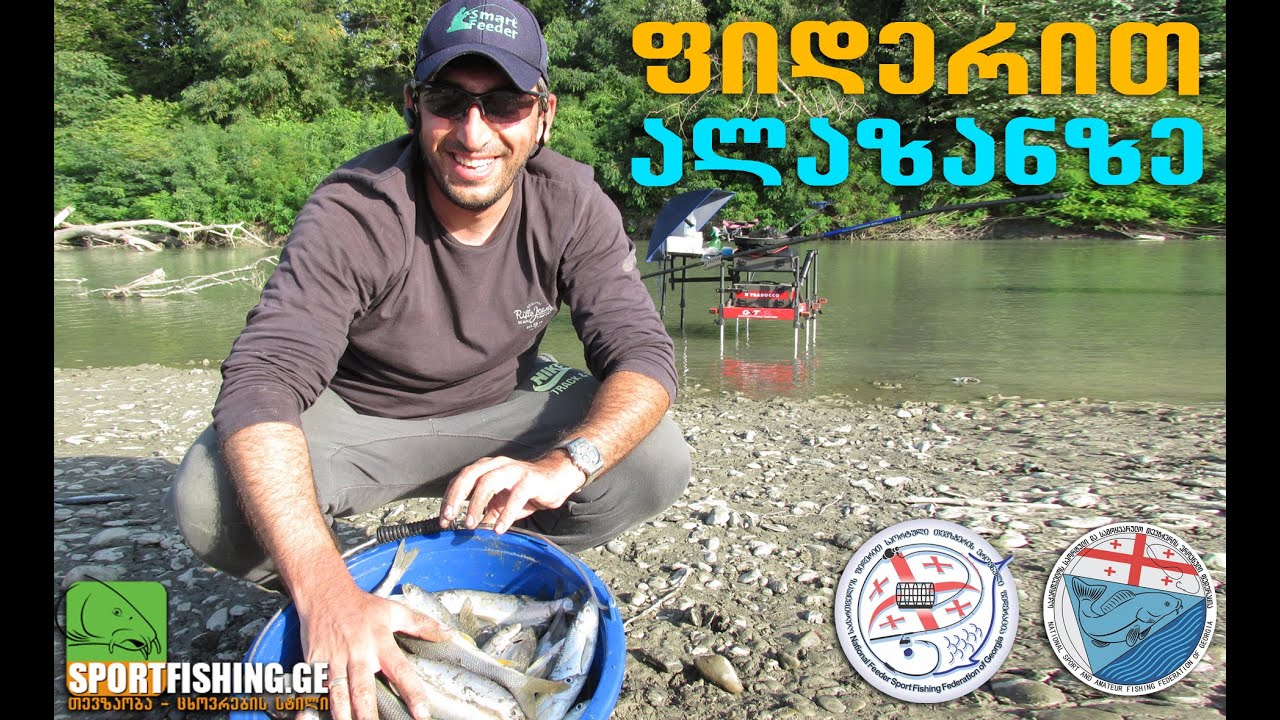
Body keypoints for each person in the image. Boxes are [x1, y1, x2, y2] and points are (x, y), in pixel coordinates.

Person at [164, 1, 691, 717]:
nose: (474, 133)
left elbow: (643, 353)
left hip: (507, 402)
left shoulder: (572, 201)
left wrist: (564, 464)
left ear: (543, 115)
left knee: (654, 456)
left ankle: (483, 555)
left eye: (504, 103)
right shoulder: (354, 211)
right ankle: (347, 585)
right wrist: (323, 591)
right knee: (208, 501)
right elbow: (263, 379)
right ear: (414, 106)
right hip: (365, 411)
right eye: (449, 101)